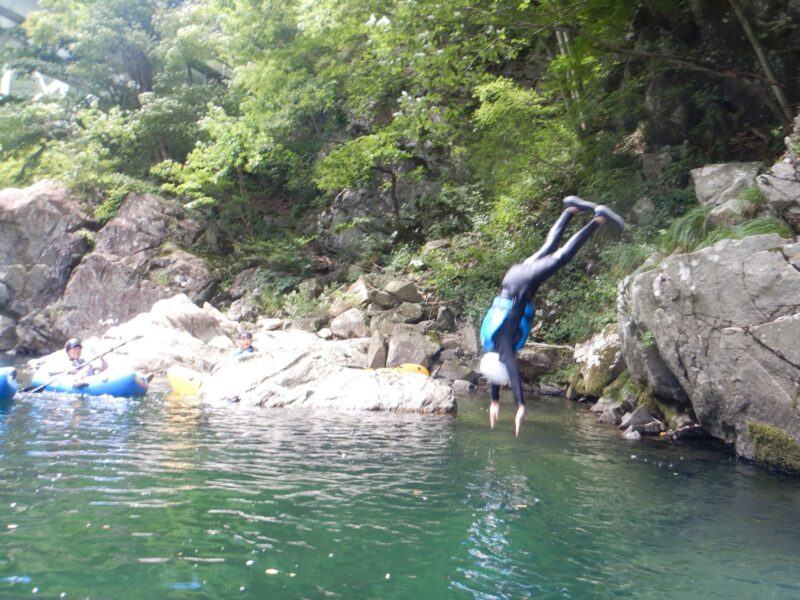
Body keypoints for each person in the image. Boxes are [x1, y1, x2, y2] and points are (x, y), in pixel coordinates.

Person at [479, 196, 624, 437]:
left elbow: (511, 371)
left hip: (521, 283)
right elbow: (500, 370)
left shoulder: (502, 347)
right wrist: (494, 401)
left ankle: (599, 219)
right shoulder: (493, 344)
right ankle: (570, 209)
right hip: (513, 277)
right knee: (549, 247)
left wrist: (520, 406)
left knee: (562, 257)